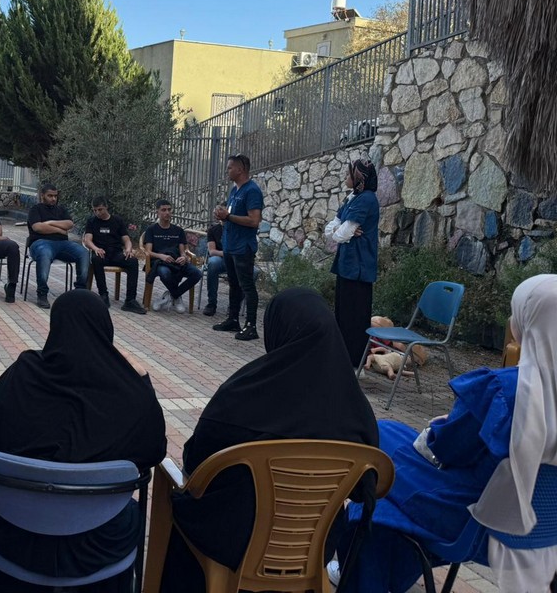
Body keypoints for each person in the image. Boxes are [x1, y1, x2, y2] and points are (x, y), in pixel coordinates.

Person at [338, 274, 557, 593]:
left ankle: (363, 575)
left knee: (376, 460)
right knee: (383, 464)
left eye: (516, 313)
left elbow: (446, 448)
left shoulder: (504, 391)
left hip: (470, 521)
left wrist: (442, 424)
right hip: (535, 532)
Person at [160, 288, 379, 593]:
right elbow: (364, 489)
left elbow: (195, 463)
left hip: (231, 542)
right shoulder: (355, 411)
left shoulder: (241, 396)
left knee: (180, 500)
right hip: (313, 545)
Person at [0, 289, 166, 593]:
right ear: (105, 328)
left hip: (13, 540)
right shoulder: (129, 394)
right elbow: (154, 449)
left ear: (54, 327)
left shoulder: (22, 375)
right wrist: (142, 381)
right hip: (100, 545)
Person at [325, 159, 380, 367]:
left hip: (359, 267)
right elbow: (331, 229)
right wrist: (341, 232)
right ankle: (342, 359)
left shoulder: (366, 199)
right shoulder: (353, 197)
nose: (346, 177)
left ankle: (354, 363)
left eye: (349, 174)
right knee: (343, 315)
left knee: (355, 318)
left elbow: (342, 233)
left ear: (360, 178)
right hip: (347, 265)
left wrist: (342, 233)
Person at [213, 154, 264, 341]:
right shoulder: (234, 190)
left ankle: (251, 326)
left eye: (229, 168)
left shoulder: (252, 191)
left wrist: (228, 217)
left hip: (243, 247)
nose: (227, 171)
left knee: (246, 286)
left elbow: (254, 220)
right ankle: (233, 319)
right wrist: (222, 215)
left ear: (240, 169)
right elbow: (230, 215)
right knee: (233, 284)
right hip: (230, 244)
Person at [26, 183, 89, 310]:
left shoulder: (61, 210)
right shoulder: (35, 209)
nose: (53, 199)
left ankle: (80, 291)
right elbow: (38, 227)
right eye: (50, 196)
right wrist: (59, 230)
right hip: (41, 243)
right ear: (42, 195)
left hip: (63, 244)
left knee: (83, 252)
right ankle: (42, 293)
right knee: (44, 253)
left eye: (55, 196)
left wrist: (50, 223)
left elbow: (69, 224)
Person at [83, 196, 146, 314]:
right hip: (101, 253)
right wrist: (96, 248)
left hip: (116, 253)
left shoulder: (117, 220)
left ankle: (130, 300)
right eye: (95, 210)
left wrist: (128, 249)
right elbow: (87, 240)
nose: (97, 213)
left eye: (100, 209)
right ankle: (103, 295)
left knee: (132, 261)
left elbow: (126, 239)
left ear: (106, 207)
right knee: (96, 259)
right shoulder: (91, 221)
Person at [142, 200, 201, 314]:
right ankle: (176, 296)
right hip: (160, 262)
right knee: (165, 273)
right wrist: (161, 256)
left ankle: (171, 295)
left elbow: (183, 251)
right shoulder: (151, 229)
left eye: (169, 210)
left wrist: (184, 257)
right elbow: (148, 251)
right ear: (157, 212)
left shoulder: (178, 230)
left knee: (197, 274)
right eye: (163, 210)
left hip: (176, 262)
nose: (167, 212)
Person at [201, 209, 226, 317]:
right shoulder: (213, 230)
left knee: (254, 272)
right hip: (221, 259)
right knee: (213, 262)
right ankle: (211, 303)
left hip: (236, 260)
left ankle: (235, 306)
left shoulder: (238, 229)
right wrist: (228, 253)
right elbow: (212, 251)